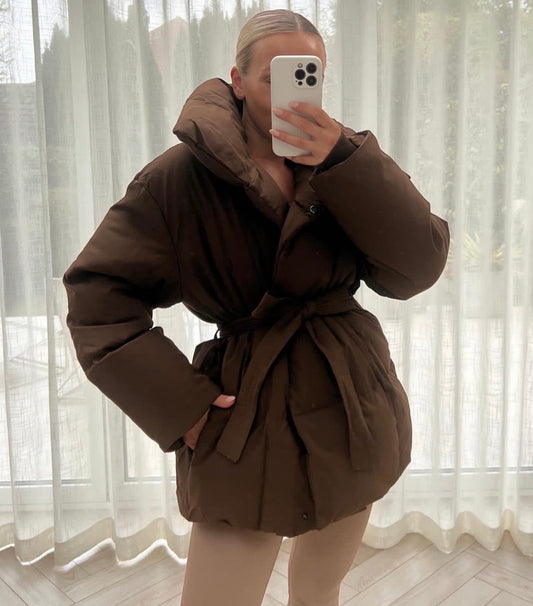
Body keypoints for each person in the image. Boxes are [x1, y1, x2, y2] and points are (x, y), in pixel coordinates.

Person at [63, 8, 450, 606]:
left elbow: (416, 268)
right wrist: (181, 406)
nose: (296, 87)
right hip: (246, 417)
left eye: (310, 72)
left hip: (352, 407)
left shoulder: (344, 161)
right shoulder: (178, 180)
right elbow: (98, 297)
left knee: (319, 591)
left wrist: (347, 163)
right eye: (276, 76)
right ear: (238, 81)